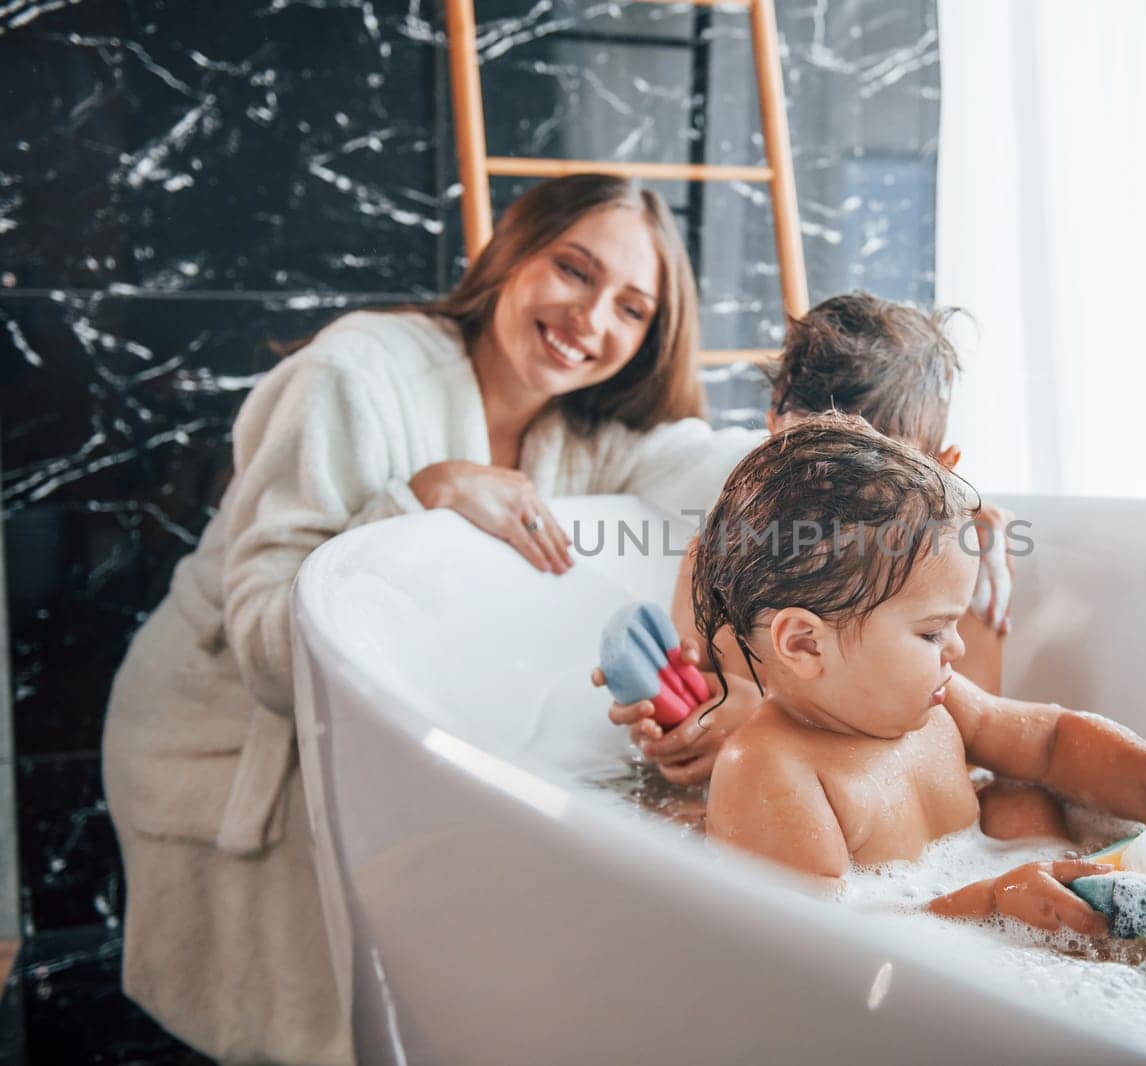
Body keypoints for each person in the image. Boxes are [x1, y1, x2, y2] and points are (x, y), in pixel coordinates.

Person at [100, 174, 764, 1064]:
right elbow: (267, 652)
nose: (592, 318)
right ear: (512, 253)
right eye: (573, 269)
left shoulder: (585, 434)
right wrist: (422, 494)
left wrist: (918, 497)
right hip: (218, 741)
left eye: (632, 309)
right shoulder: (357, 374)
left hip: (359, 753)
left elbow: (726, 468)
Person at [692, 416, 1146, 1034]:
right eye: (933, 631)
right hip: (909, 1007)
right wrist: (989, 903)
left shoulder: (935, 703)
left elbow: (1049, 740)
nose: (957, 648)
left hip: (995, 938)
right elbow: (821, 957)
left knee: (1020, 798)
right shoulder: (771, 771)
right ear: (804, 644)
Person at [597, 292, 1015, 787]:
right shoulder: (715, 554)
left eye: (874, 475)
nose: (828, 495)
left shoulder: (956, 583)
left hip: (870, 820)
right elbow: (695, 686)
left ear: (939, 467)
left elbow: (964, 759)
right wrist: (670, 718)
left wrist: (764, 726)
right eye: (801, 454)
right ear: (771, 430)